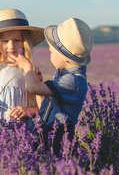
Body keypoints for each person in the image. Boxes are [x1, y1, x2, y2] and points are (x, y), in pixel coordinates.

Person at [10, 17, 93, 155]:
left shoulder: (72, 81)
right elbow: (45, 106)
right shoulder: (64, 75)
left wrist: (27, 67)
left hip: (58, 138)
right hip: (46, 133)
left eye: (51, 52)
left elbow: (31, 87)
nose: (50, 55)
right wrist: (41, 90)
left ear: (64, 58)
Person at [0, 8, 45, 132]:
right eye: (5, 41)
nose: (11, 46)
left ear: (24, 43)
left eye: (17, 40)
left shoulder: (29, 69)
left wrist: (28, 111)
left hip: (17, 133)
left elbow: (42, 107)